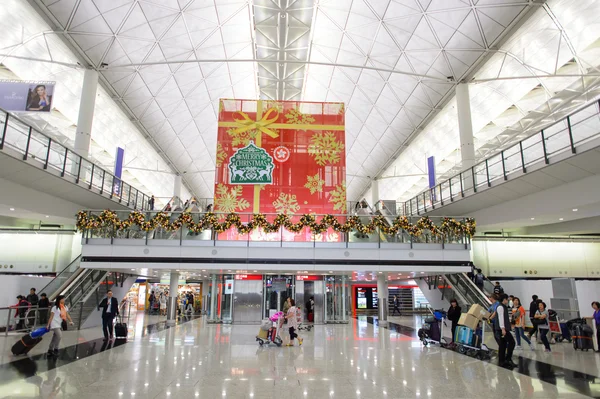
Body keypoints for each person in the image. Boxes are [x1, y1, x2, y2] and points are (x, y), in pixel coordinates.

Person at [496, 294, 517, 368]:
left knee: (503, 345)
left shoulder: (502, 307)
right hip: (502, 329)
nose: (508, 301)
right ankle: (508, 359)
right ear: (504, 299)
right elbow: (501, 318)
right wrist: (503, 329)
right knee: (512, 342)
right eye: (507, 299)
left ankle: (502, 361)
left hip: (502, 329)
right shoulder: (500, 307)